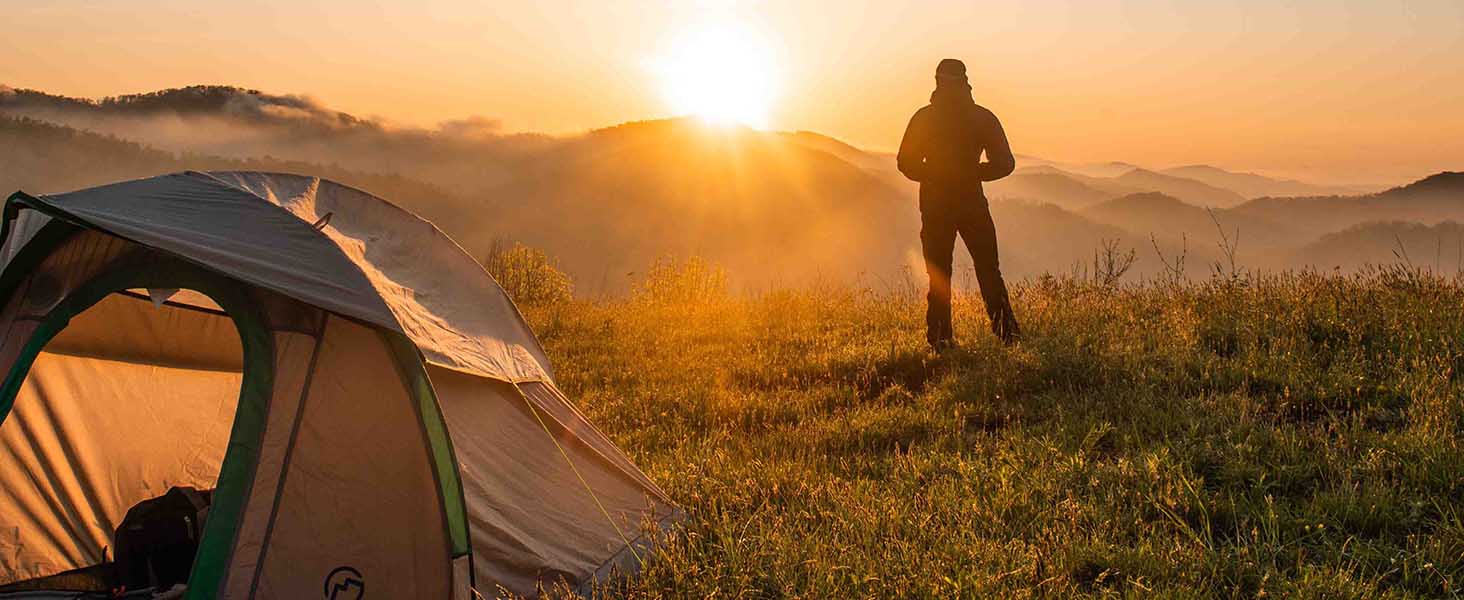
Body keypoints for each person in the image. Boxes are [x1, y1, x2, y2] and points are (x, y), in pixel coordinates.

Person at [897, 58, 1020, 350]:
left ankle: (940, 339)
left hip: (935, 204)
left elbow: (905, 163)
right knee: (989, 270)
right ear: (965, 81)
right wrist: (973, 172)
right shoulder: (982, 117)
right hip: (971, 203)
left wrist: (934, 174)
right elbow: (1005, 163)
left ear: (937, 81)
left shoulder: (924, 118)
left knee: (939, 273)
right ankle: (1007, 336)